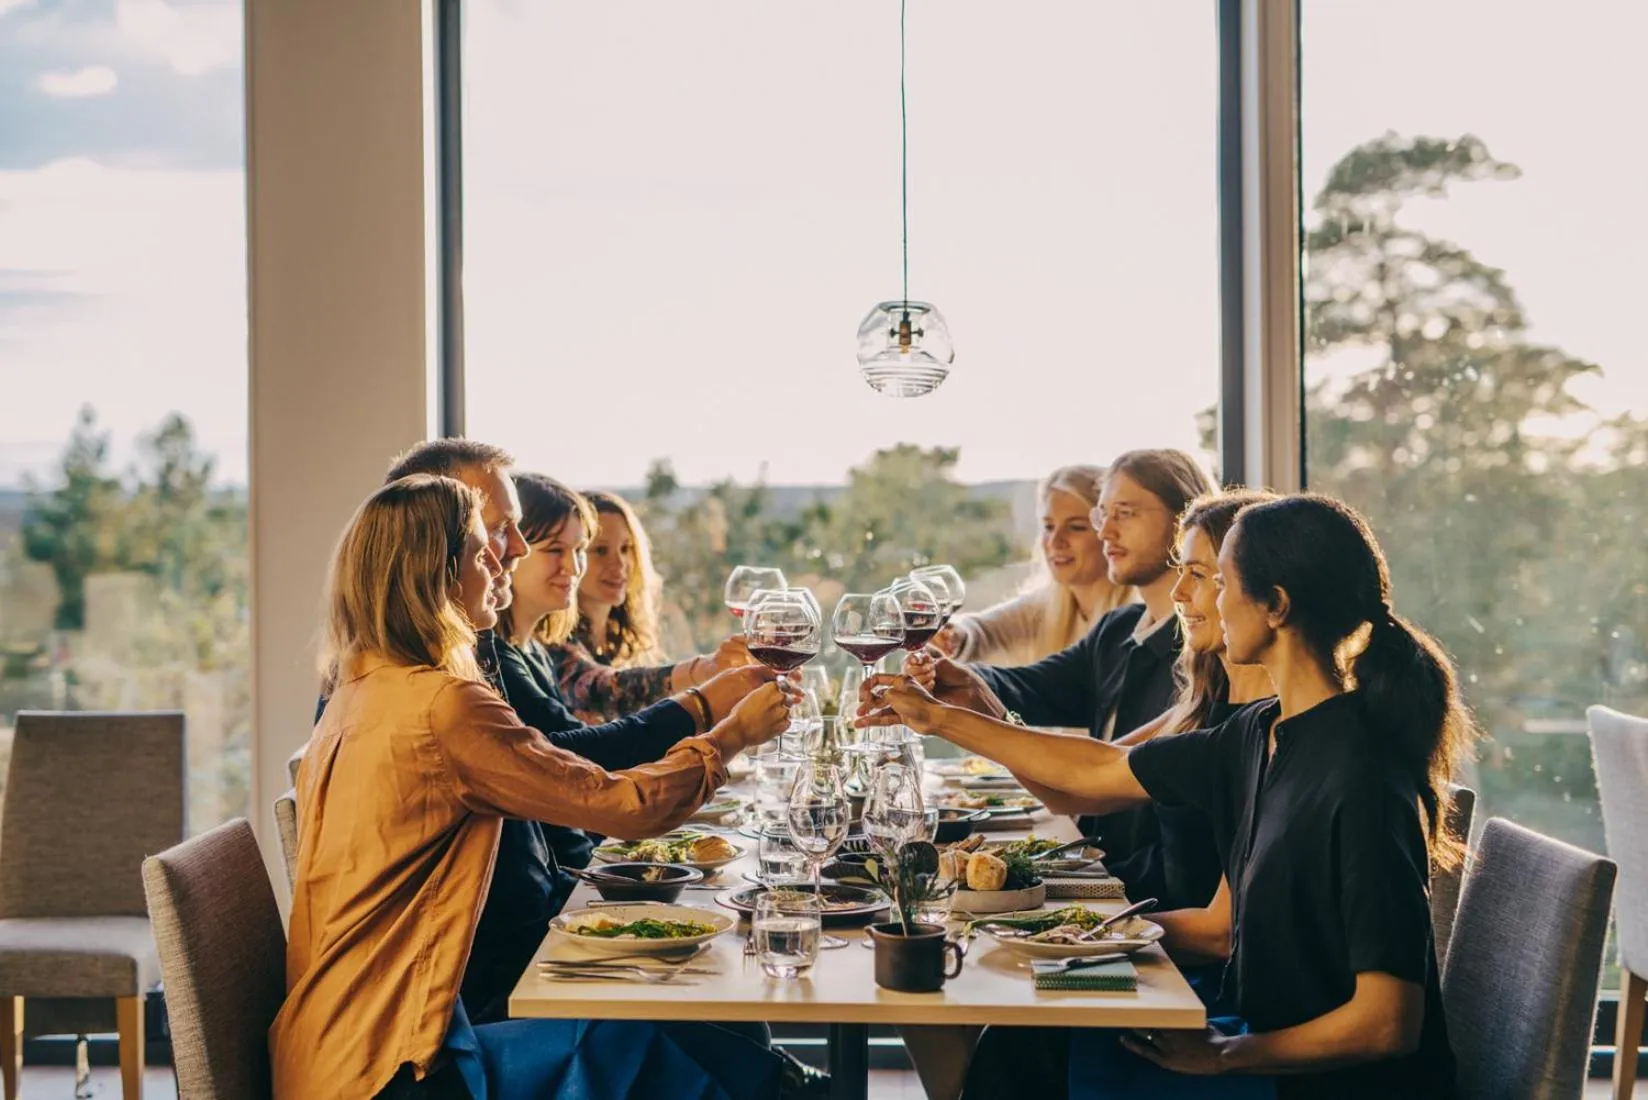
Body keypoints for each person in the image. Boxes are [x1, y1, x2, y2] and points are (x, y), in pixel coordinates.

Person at [867, 493, 1471, 1099]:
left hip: (1307, 1080)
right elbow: (1099, 773)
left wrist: (1228, 1055)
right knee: (1023, 1043)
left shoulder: (1363, 778)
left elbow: (1388, 1023)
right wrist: (1055, 932)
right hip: (1257, 1041)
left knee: (1029, 1060)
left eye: (1221, 582)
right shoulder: (1258, 732)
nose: (1202, 599)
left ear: (1277, 605)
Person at [275, 474, 797, 1099]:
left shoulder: (356, 691)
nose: (503, 562)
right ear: (435, 576)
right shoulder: (443, 707)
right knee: (672, 1050)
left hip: (332, 1043)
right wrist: (729, 736)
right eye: (482, 552)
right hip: (396, 1066)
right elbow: (624, 807)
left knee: (713, 1045)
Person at [374, 443, 772, 1029]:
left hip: (505, 961)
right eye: (495, 532)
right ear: (430, 542)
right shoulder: (439, 701)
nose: (515, 549)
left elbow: (539, 831)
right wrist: (721, 724)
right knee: (718, 1006)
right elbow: (602, 791)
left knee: (720, 983)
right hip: (467, 1013)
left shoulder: (405, 677)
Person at [898, 490, 1276, 1100]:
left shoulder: (1269, 734)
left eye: (1202, 576)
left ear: (1265, 596)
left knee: (1003, 1031)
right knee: (954, 995)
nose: (1180, 594)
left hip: (1207, 988)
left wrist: (1057, 929)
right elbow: (1081, 783)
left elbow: (1220, 932)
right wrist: (974, 705)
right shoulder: (1203, 707)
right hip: (1169, 955)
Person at [911, 449, 1218, 908]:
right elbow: (1029, 687)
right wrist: (960, 683)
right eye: (1102, 515)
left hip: (1139, 900)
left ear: (1185, 520)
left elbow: (1089, 781)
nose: (1105, 531)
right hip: (1100, 874)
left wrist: (952, 711)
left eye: (1125, 513)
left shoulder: (1207, 661)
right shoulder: (1119, 630)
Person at [935, 465, 1134, 665]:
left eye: (1076, 527)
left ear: (1110, 533)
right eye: (1049, 527)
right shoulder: (1042, 609)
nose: (1055, 541)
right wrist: (954, 637)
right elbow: (982, 632)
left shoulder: (1140, 616)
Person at [575, 489, 669, 667]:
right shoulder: (558, 647)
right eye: (601, 550)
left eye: (625, 549)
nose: (619, 564)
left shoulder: (621, 642)